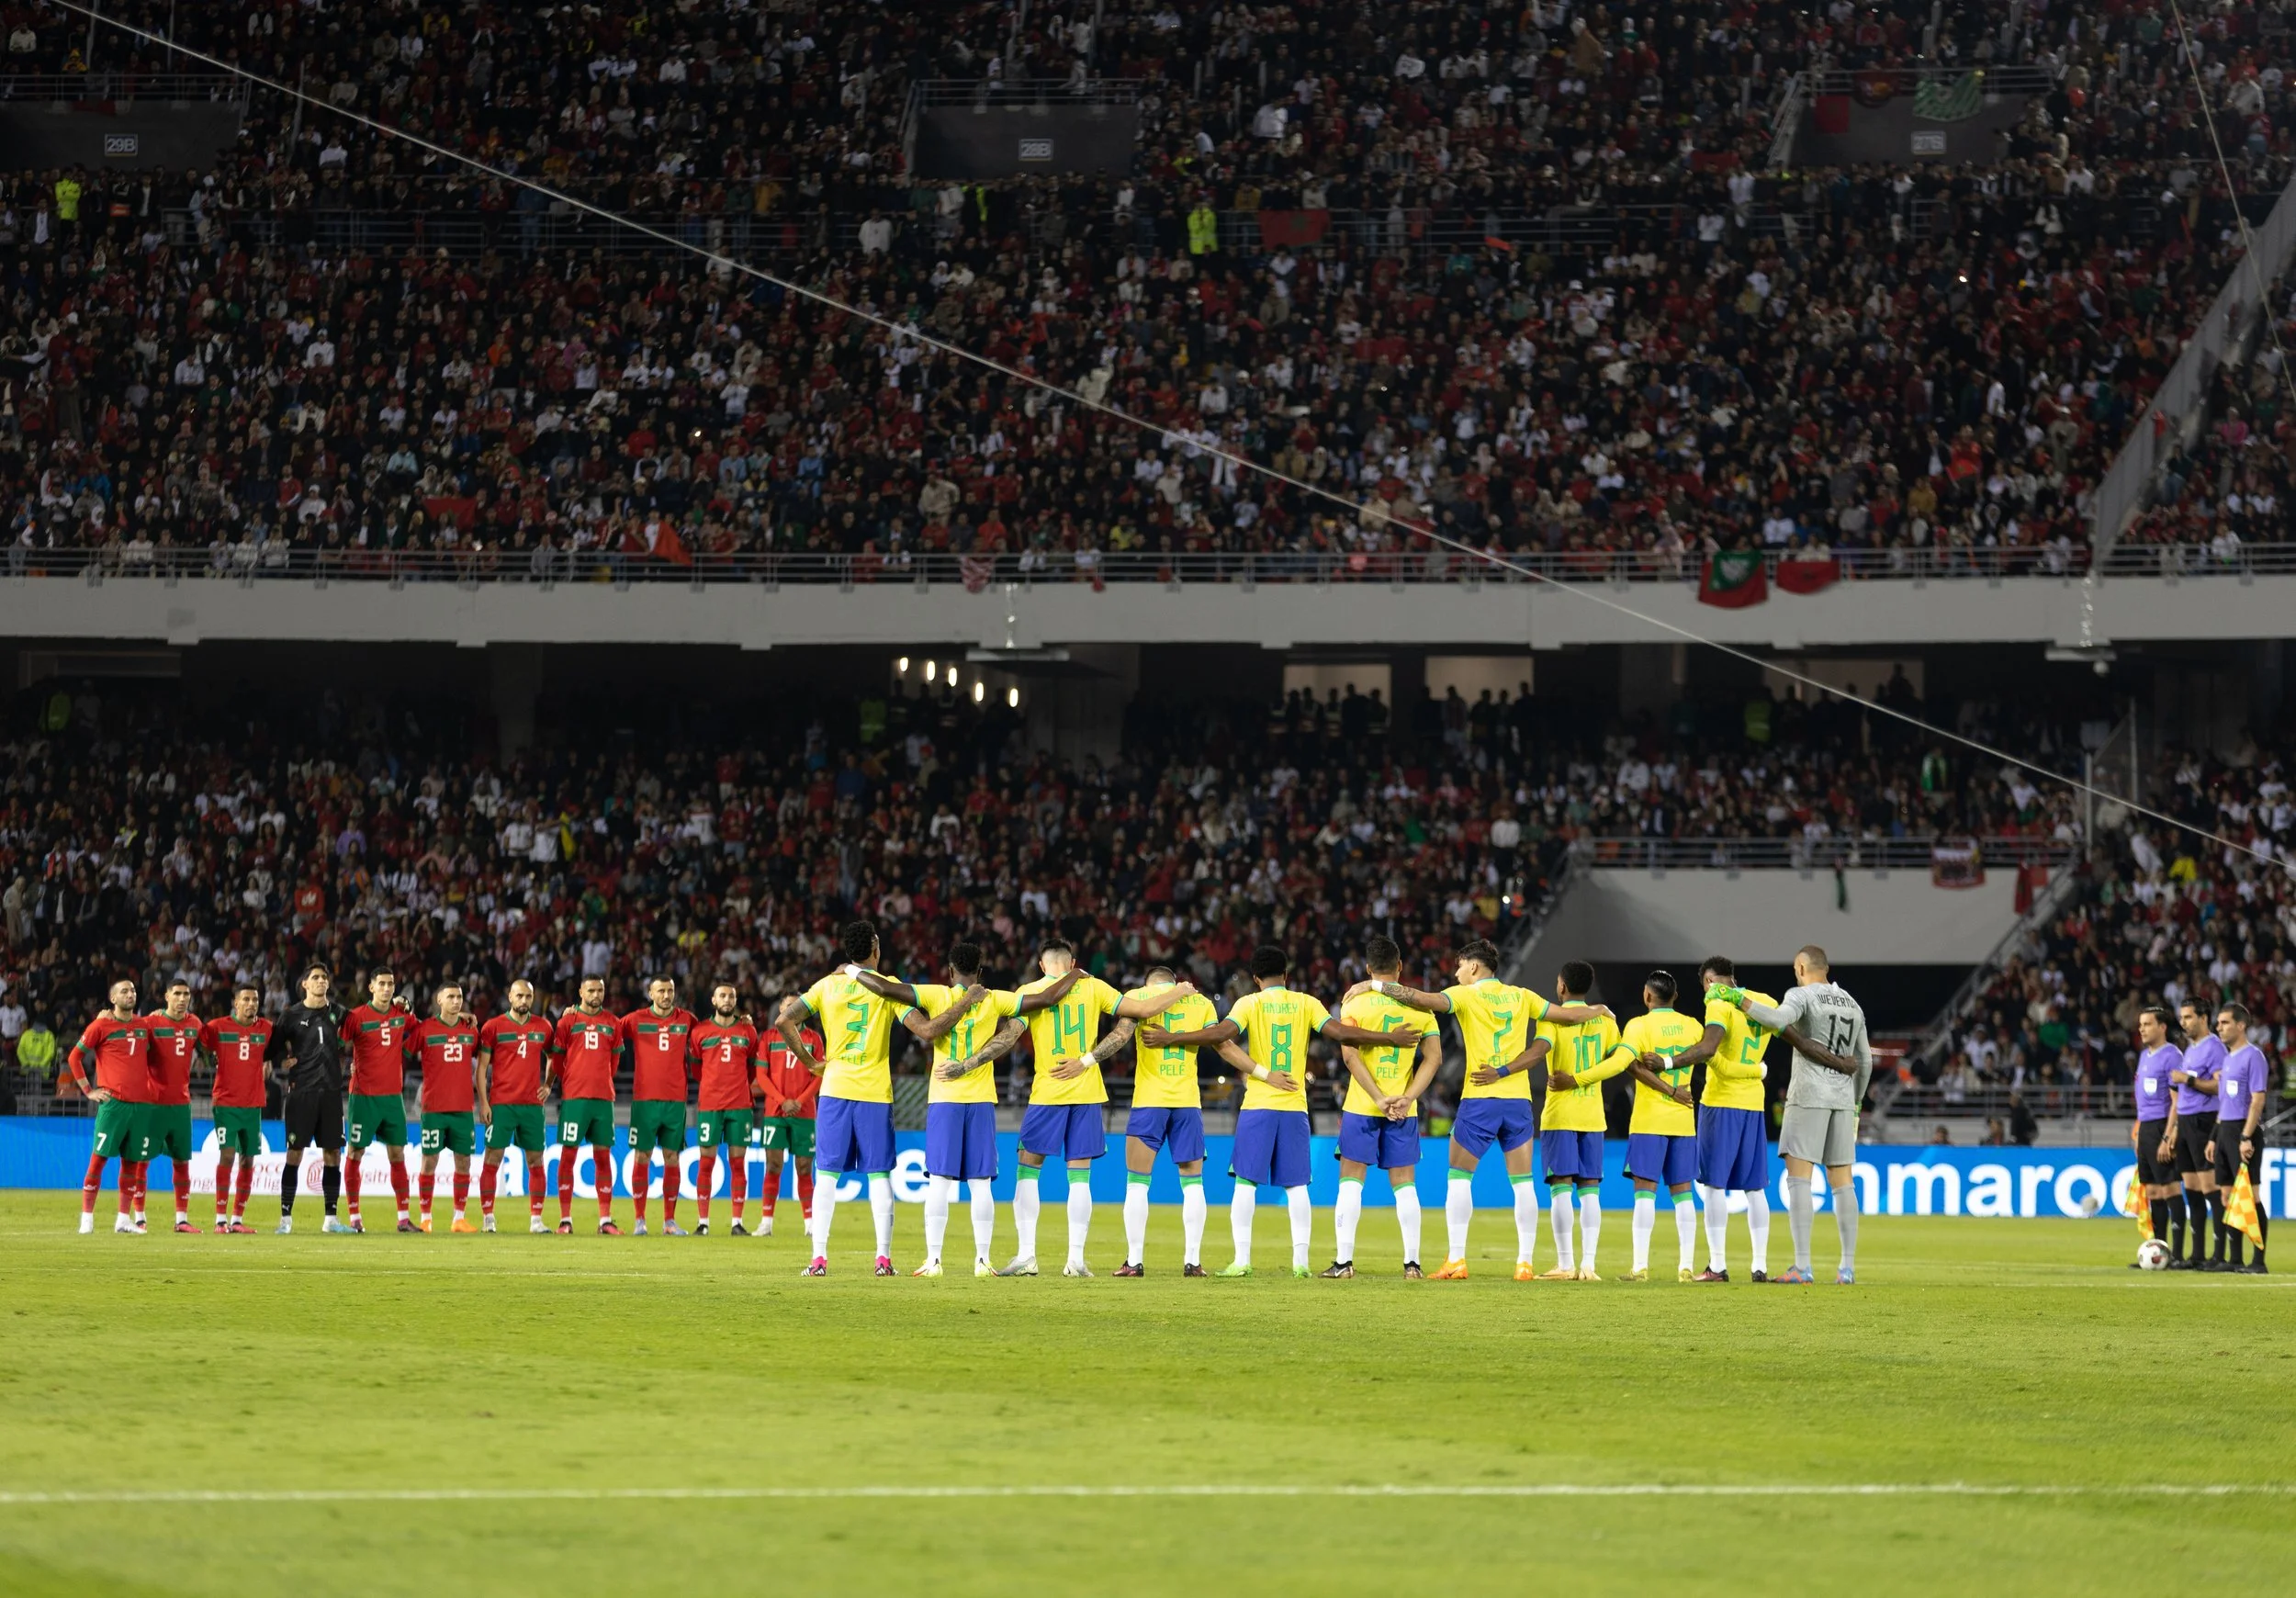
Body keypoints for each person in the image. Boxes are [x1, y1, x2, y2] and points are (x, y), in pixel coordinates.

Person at [1145, 944, 1425, 1277]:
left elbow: (1221, 1034)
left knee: (1246, 1184)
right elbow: (1341, 1033)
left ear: (1255, 978)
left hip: (1259, 1104)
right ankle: (1301, 1262)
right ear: (1287, 975)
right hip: (1295, 1106)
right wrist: (1389, 1038)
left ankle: (1242, 1260)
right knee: (1296, 1187)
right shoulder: (1306, 1003)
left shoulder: (1249, 1002)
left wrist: (1171, 1038)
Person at [1359, 940, 1611, 1280]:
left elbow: (1421, 998)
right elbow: (1568, 1014)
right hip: (1519, 1101)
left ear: (1474, 967)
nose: (1457, 972)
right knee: (1523, 1184)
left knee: (1459, 1178)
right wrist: (1599, 1010)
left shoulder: (1466, 995)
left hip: (1479, 1097)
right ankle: (1524, 1264)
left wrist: (1373, 984)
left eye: (1460, 965)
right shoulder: (1523, 996)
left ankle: (1457, 1261)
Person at [852, 942, 1076, 1276]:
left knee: (940, 1181)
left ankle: (934, 1260)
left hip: (945, 1099)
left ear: (950, 971)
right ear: (980, 972)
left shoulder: (935, 995)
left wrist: (852, 969)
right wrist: (1075, 976)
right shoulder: (996, 998)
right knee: (981, 1183)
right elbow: (1045, 999)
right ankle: (983, 1261)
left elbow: (884, 987)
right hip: (982, 1098)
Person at [774, 919, 983, 1276]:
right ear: (875, 947)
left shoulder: (826, 986)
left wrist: (812, 1063)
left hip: (836, 1090)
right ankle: (883, 1260)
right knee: (879, 1176)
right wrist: (968, 1000)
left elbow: (783, 1021)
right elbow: (928, 1031)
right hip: (873, 1092)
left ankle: (819, 1260)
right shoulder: (889, 989)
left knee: (826, 1175)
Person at [993, 936, 1171, 1277]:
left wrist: (971, 1062)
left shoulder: (1028, 990)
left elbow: (1010, 1035)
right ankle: (1075, 1260)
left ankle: (1026, 1255)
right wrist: (1179, 991)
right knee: (1080, 1178)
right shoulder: (1095, 987)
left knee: (1028, 1169)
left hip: (1048, 1092)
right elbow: (1131, 1021)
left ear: (1042, 965)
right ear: (1072, 963)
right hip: (1088, 1091)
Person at [1726, 945, 1872, 1285]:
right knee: (1842, 1181)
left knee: (1799, 1178)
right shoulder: (1852, 1003)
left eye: (1796, 969)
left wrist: (1738, 1000)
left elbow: (1777, 1020)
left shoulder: (1802, 995)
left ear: (1803, 967)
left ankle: (1802, 1267)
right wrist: (1857, 1103)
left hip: (1809, 1095)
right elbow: (1864, 1062)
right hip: (1843, 1099)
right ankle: (1847, 1268)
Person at [1325, 935, 1442, 1278]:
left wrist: (1377, 1097)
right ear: (1400, 966)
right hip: (1404, 1110)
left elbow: (1349, 1055)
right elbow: (1433, 1059)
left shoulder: (1355, 1004)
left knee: (1350, 1182)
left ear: (1367, 969)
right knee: (1405, 1185)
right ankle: (1413, 1265)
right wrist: (1407, 1097)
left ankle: (1344, 1263)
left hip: (1363, 1104)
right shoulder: (1420, 1007)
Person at [1118, 964, 1218, 1277]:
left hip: (1149, 1100)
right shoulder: (1202, 1003)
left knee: (1137, 1184)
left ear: (1150, 982)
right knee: (1193, 1183)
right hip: (1188, 1102)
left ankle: (1134, 1262)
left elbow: (1122, 1031)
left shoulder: (1137, 996)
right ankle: (1193, 1261)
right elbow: (1215, 1038)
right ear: (1174, 981)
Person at [1606, 972, 1705, 1282]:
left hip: (1650, 1120)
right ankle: (1686, 1267)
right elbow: (1704, 1055)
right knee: (1683, 1195)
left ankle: (1640, 1267)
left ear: (1648, 997)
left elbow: (1631, 1066)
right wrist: (1679, 1091)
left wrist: (1668, 1091)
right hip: (1684, 1120)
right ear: (1675, 997)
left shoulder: (1638, 1026)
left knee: (1645, 1194)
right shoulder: (1693, 1026)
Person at [1526, 962, 1623, 1279]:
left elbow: (1541, 1051)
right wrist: (1585, 1080)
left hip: (1560, 1115)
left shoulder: (1552, 1019)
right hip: (1593, 1116)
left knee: (1561, 1187)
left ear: (1562, 987)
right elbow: (1620, 1062)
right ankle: (1589, 1265)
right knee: (1590, 1189)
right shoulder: (1606, 1021)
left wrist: (1574, 1079)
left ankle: (1566, 1264)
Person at [1686, 955, 1775, 1283]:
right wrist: (1760, 1070)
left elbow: (1717, 1062)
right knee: (1755, 1190)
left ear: (1709, 981)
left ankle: (1718, 1265)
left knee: (1713, 1186)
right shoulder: (1765, 1003)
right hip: (1754, 1104)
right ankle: (1760, 1265)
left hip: (1721, 1103)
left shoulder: (1717, 1006)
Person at [269, 964, 352, 1235]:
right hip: (301, 1094)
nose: (320, 981)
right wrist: (283, 1060)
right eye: (315, 977)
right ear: (304, 984)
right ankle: (285, 1218)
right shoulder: (291, 1015)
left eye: (324, 978)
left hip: (330, 1094)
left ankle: (330, 1219)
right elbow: (272, 1049)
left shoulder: (338, 1013)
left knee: (333, 1156)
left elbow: (366, 1027)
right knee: (294, 1154)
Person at [65, 977, 152, 1235]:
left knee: (132, 1164)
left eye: (133, 990)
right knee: (99, 1159)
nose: (130, 994)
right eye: (124, 991)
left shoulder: (144, 1025)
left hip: (140, 1106)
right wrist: (89, 1091)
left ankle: (123, 1220)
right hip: (113, 1105)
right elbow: (74, 1057)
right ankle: (87, 1219)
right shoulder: (101, 1025)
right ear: (113, 998)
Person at [342, 969, 418, 1233]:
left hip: (392, 1098)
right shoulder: (357, 1016)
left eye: (391, 984)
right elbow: (338, 1042)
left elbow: (421, 1029)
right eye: (382, 984)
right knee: (355, 1153)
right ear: (371, 987)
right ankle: (354, 1218)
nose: (387, 988)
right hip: (363, 1097)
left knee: (397, 1154)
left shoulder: (401, 1015)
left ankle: (404, 1218)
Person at [478, 978, 556, 1234]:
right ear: (510, 997)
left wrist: (548, 1084)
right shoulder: (493, 1027)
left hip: (532, 1106)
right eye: (519, 996)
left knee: (536, 1160)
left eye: (528, 997)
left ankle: (536, 1220)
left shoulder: (543, 1027)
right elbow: (481, 1069)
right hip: (501, 1105)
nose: (524, 1001)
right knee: (492, 1158)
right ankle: (488, 1217)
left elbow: (553, 1058)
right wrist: (484, 1102)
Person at [549, 976, 625, 1235]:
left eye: (600, 990)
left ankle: (605, 1220)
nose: (596, 994)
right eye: (591, 989)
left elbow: (614, 1064)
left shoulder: (613, 1023)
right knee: (568, 1156)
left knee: (603, 1158)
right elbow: (557, 1062)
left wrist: (599, 1081)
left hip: (603, 1099)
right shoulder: (567, 1021)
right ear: (580, 991)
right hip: (575, 1099)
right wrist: (572, 1081)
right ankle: (565, 1220)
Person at [625, 977, 699, 1235]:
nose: (666, 995)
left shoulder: (687, 1020)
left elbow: (711, 1031)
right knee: (642, 1156)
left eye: (670, 990)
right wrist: (574, 1011)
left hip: (675, 1102)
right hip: (645, 1101)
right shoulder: (635, 1020)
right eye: (661, 991)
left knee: (672, 1157)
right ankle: (639, 1220)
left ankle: (669, 1222)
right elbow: (607, 1028)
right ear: (650, 993)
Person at [199, 985, 273, 1233]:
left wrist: (275, 1059)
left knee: (248, 1160)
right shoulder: (218, 1027)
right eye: (246, 999)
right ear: (236, 1003)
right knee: (228, 1156)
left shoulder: (266, 1029)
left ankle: (237, 1219)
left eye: (255, 999)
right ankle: (220, 1219)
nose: (252, 1004)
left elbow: (281, 1046)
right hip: (226, 1104)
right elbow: (193, 1035)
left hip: (253, 1105)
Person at [411, 985, 483, 1232]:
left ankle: (458, 1218)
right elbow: (405, 1047)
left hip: (463, 1108)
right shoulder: (425, 1028)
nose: (455, 1001)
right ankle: (425, 1218)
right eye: (450, 997)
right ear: (439, 999)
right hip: (434, 1108)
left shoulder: (470, 1030)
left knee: (463, 1163)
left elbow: (483, 1058)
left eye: (459, 997)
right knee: (429, 1162)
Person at [691, 983, 761, 1236]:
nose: (727, 1000)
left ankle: (736, 1223)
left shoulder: (748, 1031)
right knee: (706, 1162)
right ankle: (703, 1222)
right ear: (713, 1000)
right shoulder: (700, 1031)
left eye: (731, 996)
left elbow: (752, 1067)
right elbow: (696, 1069)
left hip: (740, 1105)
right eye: (722, 995)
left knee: (738, 1164)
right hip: (710, 1105)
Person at [2205, 1003, 2269, 1274]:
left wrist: (2246, 1136)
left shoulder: (2253, 1056)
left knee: (2251, 1196)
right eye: (2218, 1023)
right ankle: (2234, 1259)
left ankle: (2258, 1261)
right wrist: (2213, 1137)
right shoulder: (2229, 1058)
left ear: (2241, 1025)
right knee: (2227, 1197)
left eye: (2224, 1023)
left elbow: (2258, 1099)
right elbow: (2225, 1103)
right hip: (2224, 1131)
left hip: (2244, 1131)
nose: (2219, 1027)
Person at [753, 1004, 822, 1240]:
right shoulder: (770, 1038)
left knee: (804, 1168)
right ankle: (766, 1223)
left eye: (796, 1005)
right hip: (775, 1112)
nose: (792, 1009)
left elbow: (819, 1074)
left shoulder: (814, 1039)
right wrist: (782, 1101)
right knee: (772, 1166)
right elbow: (761, 1076)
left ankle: (810, 1223)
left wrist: (800, 1101)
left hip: (804, 1113)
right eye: (787, 1005)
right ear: (781, 1009)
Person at [142, 978, 205, 1233]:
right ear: (166, 996)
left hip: (181, 1105)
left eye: (186, 994)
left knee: (181, 1162)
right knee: (140, 1161)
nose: (182, 998)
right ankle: (138, 1217)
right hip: (152, 1104)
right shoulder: (151, 1023)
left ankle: (181, 1219)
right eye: (177, 993)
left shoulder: (195, 1024)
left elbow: (215, 1043)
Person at [2170, 999, 2223, 1268]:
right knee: (2191, 1189)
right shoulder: (2190, 1049)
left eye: (2188, 1017)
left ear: (2203, 1018)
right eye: (2182, 1017)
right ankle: (2198, 1254)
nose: (2183, 1022)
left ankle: (2219, 1254)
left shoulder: (2214, 1047)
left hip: (2204, 1120)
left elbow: (2218, 1086)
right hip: (2187, 1121)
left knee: (2211, 1189)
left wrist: (2187, 1080)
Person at [2131, 1006, 2184, 1266]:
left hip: (2163, 1125)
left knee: (2170, 1189)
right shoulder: (2144, 1056)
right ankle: (2160, 1249)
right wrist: (2139, 1132)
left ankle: (2179, 1253)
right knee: (2153, 1191)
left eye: (2147, 1024)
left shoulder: (2172, 1055)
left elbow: (2177, 1100)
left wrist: (2169, 1135)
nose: (2142, 1028)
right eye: (2141, 1024)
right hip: (2147, 1127)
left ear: (2162, 1027)